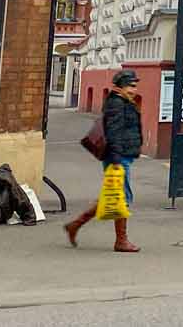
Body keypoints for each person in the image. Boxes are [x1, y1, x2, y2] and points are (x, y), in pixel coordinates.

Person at [65, 69, 144, 252]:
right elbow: (114, 132)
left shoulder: (124, 101)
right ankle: (121, 241)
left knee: (113, 196)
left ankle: (75, 225)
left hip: (122, 155)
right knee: (122, 197)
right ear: (120, 87)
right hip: (117, 156)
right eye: (131, 86)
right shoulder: (117, 104)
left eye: (135, 86)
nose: (134, 89)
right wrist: (116, 159)